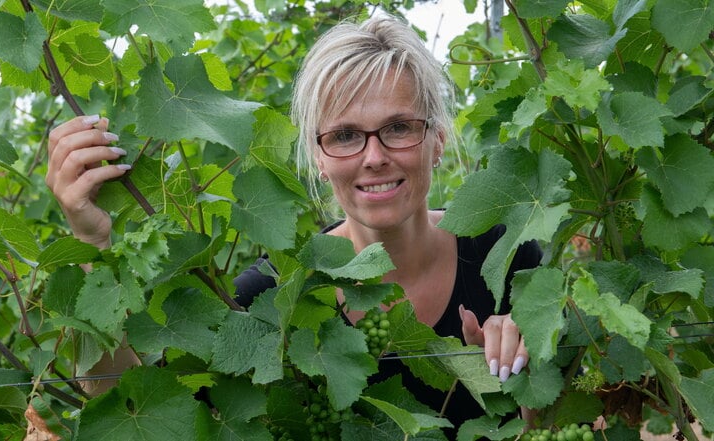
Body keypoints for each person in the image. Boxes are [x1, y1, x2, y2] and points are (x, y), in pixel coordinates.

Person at [45, 13, 541, 438]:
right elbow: (139, 411)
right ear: (318, 158)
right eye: (345, 135)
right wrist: (92, 241)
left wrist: (529, 379)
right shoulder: (273, 297)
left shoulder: (507, 258)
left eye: (398, 128)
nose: (373, 156)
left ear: (436, 139)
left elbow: (558, 419)